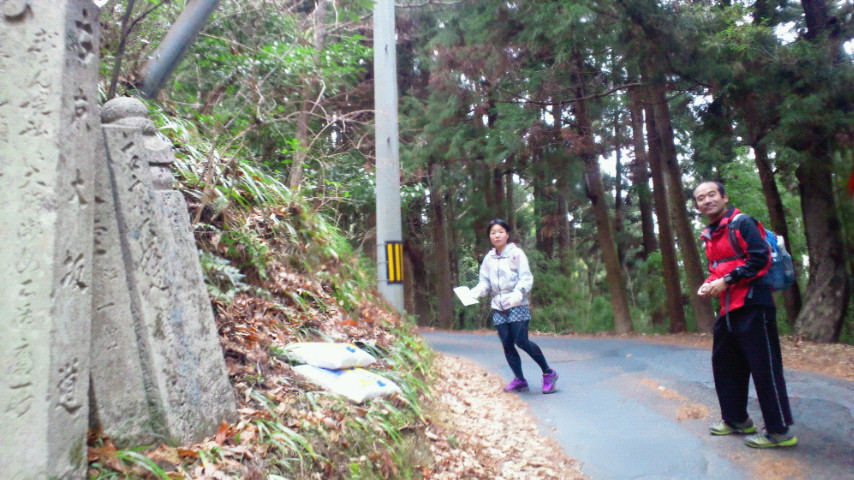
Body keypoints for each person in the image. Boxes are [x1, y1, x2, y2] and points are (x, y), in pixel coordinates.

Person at [694, 181, 796, 448]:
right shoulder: (710, 234)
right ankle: (737, 419)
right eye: (701, 198)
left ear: (724, 197)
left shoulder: (743, 223)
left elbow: (759, 259)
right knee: (725, 364)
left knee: (765, 369)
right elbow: (717, 268)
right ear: (697, 206)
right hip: (728, 309)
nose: (707, 200)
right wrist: (709, 283)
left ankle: (779, 431)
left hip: (754, 305)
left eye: (711, 194)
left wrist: (727, 280)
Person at [469, 218, 558, 394]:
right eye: (493, 232)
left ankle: (549, 373)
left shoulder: (516, 254)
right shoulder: (489, 258)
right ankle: (520, 379)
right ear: (489, 236)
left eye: (500, 231)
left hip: (517, 303)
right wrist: (475, 292)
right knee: (507, 344)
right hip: (498, 306)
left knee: (521, 341)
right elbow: (484, 283)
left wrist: (519, 293)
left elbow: (526, 278)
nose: (497, 235)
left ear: (507, 234)